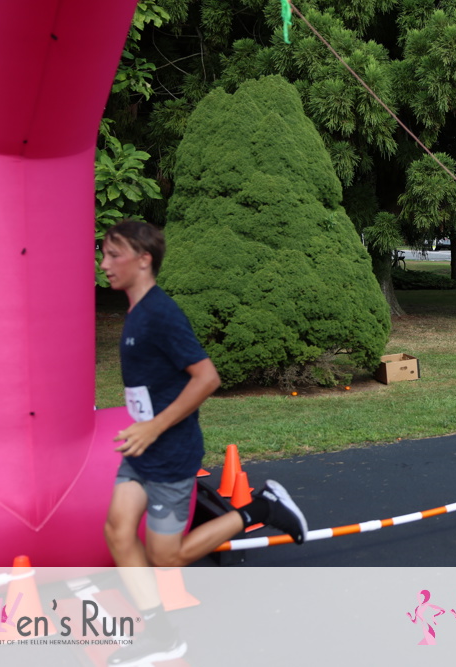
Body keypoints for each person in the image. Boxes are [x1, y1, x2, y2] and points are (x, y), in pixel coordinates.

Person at [100, 220, 307, 666]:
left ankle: (261, 509)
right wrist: (144, 428)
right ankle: (161, 636)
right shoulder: (137, 312)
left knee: (166, 557)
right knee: (117, 530)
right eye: (103, 254)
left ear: (143, 259)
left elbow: (207, 377)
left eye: (114, 255)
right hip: (143, 449)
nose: (104, 264)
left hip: (170, 452)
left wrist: (154, 427)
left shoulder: (161, 313)